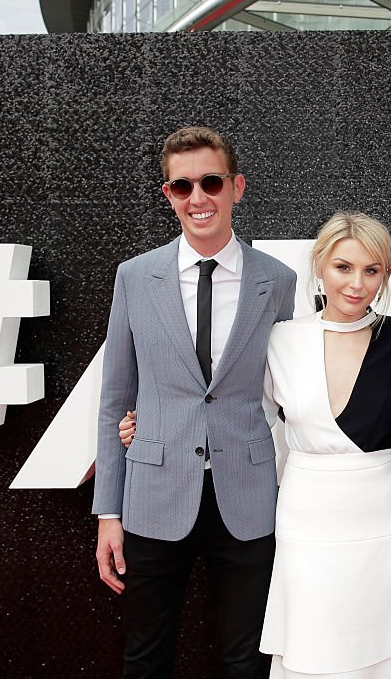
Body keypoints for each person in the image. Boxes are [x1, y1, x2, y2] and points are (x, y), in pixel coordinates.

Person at [121, 212, 391, 679]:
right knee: (309, 641)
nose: (357, 283)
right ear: (320, 266)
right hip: (302, 514)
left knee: (379, 643)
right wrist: (149, 425)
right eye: (344, 267)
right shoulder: (282, 340)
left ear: (386, 275)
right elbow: (235, 409)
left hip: (380, 511)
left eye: (372, 271)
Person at [92, 126, 296, 679]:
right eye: (183, 187)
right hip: (154, 493)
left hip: (249, 497)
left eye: (210, 182)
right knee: (145, 655)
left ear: (237, 187)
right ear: (168, 195)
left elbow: (289, 391)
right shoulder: (135, 278)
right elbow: (116, 399)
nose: (197, 198)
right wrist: (109, 511)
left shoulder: (277, 281)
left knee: (246, 658)